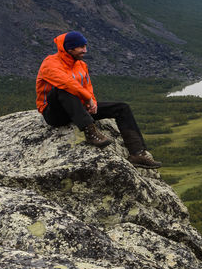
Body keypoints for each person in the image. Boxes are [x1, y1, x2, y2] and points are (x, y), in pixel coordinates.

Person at [35, 31, 162, 169]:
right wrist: (88, 98)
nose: (85, 50)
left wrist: (92, 102)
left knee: (122, 108)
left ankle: (138, 154)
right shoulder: (50, 63)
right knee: (63, 89)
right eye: (81, 47)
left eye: (85, 46)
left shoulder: (81, 65)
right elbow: (66, 83)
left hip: (78, 110)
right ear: (70, 48)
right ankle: (90, 133)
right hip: (54, 113)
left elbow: (87, 86)